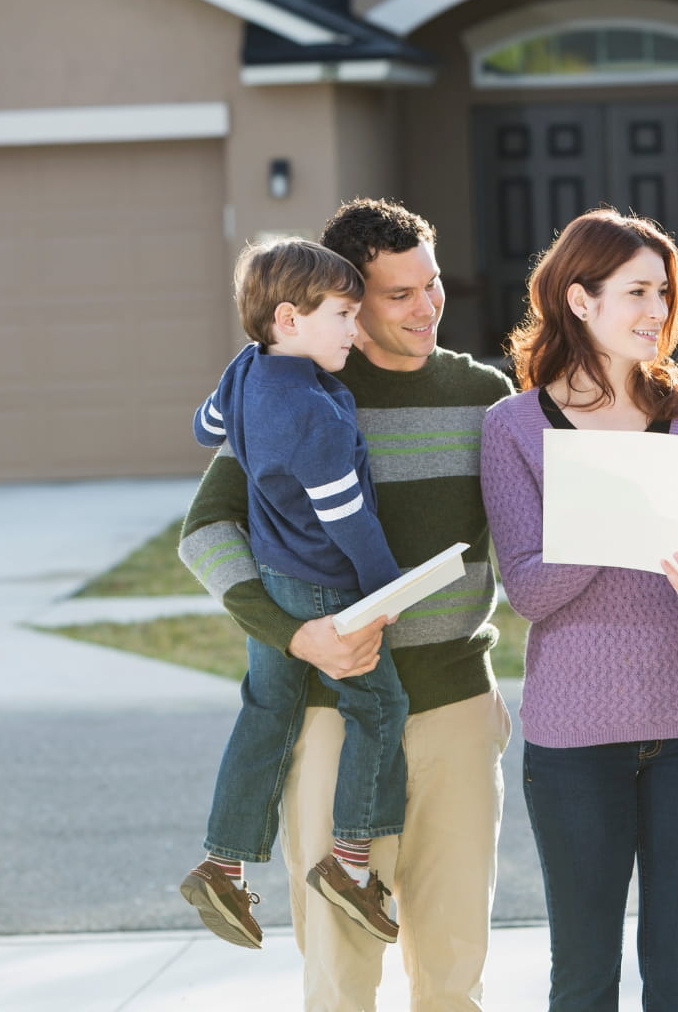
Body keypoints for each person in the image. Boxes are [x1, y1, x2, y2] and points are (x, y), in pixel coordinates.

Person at [179, 198, 515, 1012]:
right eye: (398, 294)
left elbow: (529, 539)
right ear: (347, 303)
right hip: (334, 716)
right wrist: (297, 639)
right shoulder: (297, 390)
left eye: (431, 285)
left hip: (458, 712)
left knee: (454, 968)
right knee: (340, 974)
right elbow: (206, 532)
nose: (426, 306)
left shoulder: (486, 395)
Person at [480, 208, 678, 1012]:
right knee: (583, 979)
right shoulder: (514, 426)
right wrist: (619, 508)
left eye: (664, 293)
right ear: (579, 300)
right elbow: (527, 590)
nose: (656, 312)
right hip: (575, 739)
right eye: (636, 292)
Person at [181, 238, 408, 950]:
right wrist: (386, 594)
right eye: (342, 314)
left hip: (274, 578)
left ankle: (222, 864)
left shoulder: (245, 370)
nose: (355, 329)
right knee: (378, 707)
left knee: (267, 710)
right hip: (324, 589)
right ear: (288, 318)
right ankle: (349, 864)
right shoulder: (317, 416)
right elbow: (350, 523)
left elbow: (204, 427)